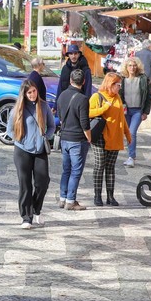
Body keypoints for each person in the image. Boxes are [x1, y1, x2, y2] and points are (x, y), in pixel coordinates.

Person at [11, 79, 55, 229]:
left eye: (34, 91)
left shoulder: (43, 106)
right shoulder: (18, 108)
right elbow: (10, 129)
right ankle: (26, 217)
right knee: (25, 184)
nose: (32, 94)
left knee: (43, 182)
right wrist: (20, 140)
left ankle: (36, 208)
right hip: (22, 151)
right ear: (24, 94)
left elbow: (51, 126)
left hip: (40, 150)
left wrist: (46, 137)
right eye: (29, 92)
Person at [88, 72, 132, 206]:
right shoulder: (97, 96)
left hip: (115, 136)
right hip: (100, 136)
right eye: (118, 85)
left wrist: (127, 133)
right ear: (110, 84)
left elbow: (121, 117)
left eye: (120, 85)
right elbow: (88, 113)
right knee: (99, 165)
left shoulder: (117, 98)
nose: (120, 87)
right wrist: (104, 108)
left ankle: (110, 196)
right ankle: (97, 196)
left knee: (110, 167)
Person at [57, 68, 91, 211]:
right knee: (76, 171)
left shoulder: (62, 95)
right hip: (77, 139)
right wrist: (89, 138)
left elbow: (59, 116)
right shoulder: (83, 99)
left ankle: (62, 198)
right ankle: (70, 201)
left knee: (66, 170)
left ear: (71, 80)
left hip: (64, 137)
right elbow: (85, 123)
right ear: (83, 82)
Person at [120, 57, 151, 167]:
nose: (132, 68)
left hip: (137, 110)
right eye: (130, 65)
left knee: (132, 132)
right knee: (128, 134)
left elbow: (148, 97)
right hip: (126, 111)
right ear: (126, 67)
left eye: (134, 65)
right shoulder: (122, 79)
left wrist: (146, 112)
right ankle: (130, 156)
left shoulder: (143, 79)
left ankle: (131, 157)